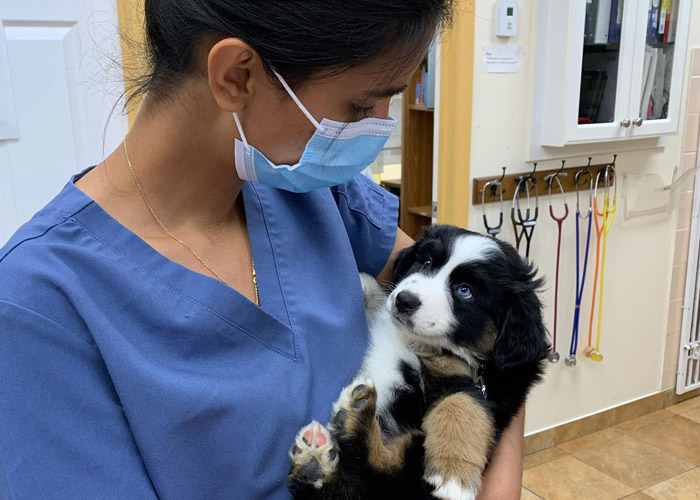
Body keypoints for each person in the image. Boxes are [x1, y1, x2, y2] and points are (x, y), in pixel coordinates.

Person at [0, 1, 524, 499]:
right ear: (236, 75)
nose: (378, 124)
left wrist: (486, 467)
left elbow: (493, 318)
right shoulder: (39, 307)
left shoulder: (317, 189)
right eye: (360, 105)